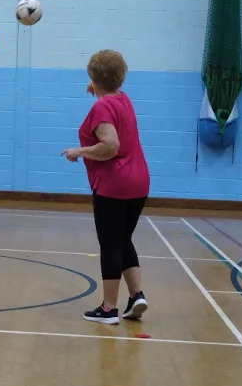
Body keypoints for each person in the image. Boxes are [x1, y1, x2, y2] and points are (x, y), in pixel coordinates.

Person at [61, 49, 151, 325]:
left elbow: (111, 145)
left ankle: (109, 308)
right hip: (139, 181)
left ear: (93, 77)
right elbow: (109, 101)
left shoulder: (101, 107)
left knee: (110, 243)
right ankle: (136, 296)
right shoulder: (124, 100)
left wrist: (80, 151)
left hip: (115, 184)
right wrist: (99, 89)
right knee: (123, 239)